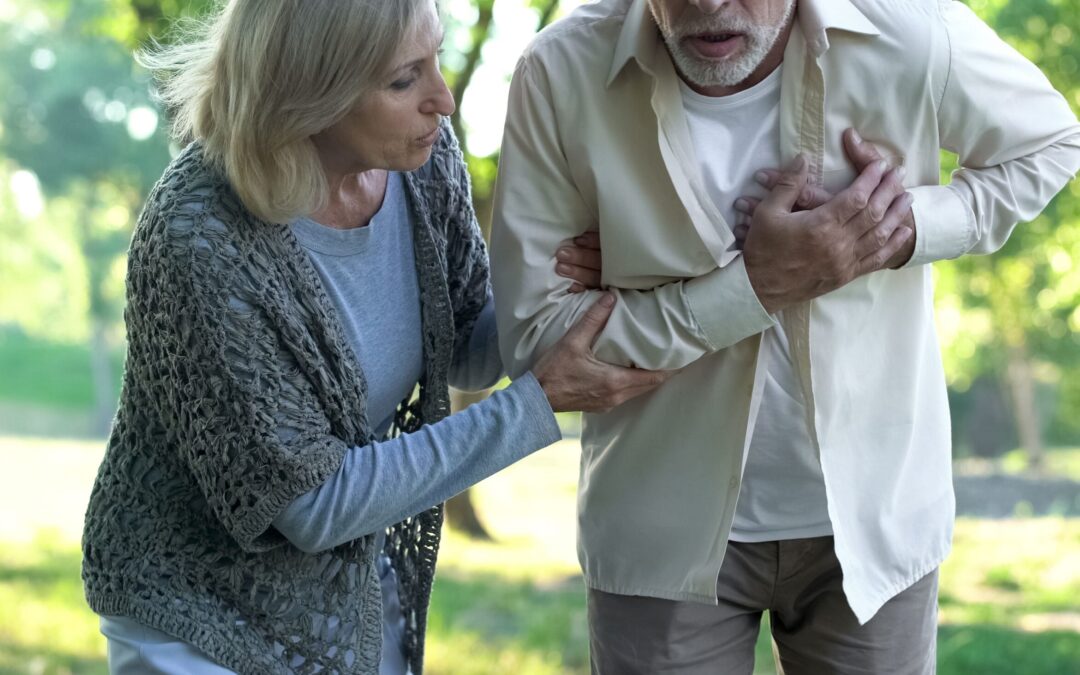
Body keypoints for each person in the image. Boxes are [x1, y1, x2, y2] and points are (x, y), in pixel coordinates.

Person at [79, 1, 673, 674]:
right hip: (193, 606)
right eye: (403, 80)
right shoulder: (200, 238)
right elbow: (312, 502)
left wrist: (566, 282)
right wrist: (536, 403)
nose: (442, 100)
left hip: (339, 593)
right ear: (311, 91)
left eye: (437, 60)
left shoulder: (417, 160)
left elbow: (465, 343)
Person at [489, 0, 1080, 672]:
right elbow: (544, 344)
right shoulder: (559, 72)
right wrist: (756, 285)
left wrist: (898, 229)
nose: (709, 6)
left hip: (875, 524)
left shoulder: (910, 33)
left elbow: (1051, 142)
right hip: (660, 525)